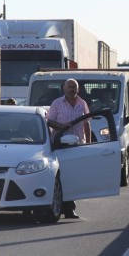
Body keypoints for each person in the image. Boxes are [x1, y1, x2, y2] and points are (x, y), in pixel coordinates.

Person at [47, 78, 91, 219]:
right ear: (64, 89)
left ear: (77, 89)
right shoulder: (57, 104)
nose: (71, 89)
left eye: (74, 87)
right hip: (61, 146)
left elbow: (87, 124)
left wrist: (89, 143)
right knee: (61, 177)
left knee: (74, 177)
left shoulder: (82, 103)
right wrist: (62, 127)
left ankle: (70, 209)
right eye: (69, 87)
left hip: (77, 145)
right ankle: (59, 207)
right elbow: (49, 121)